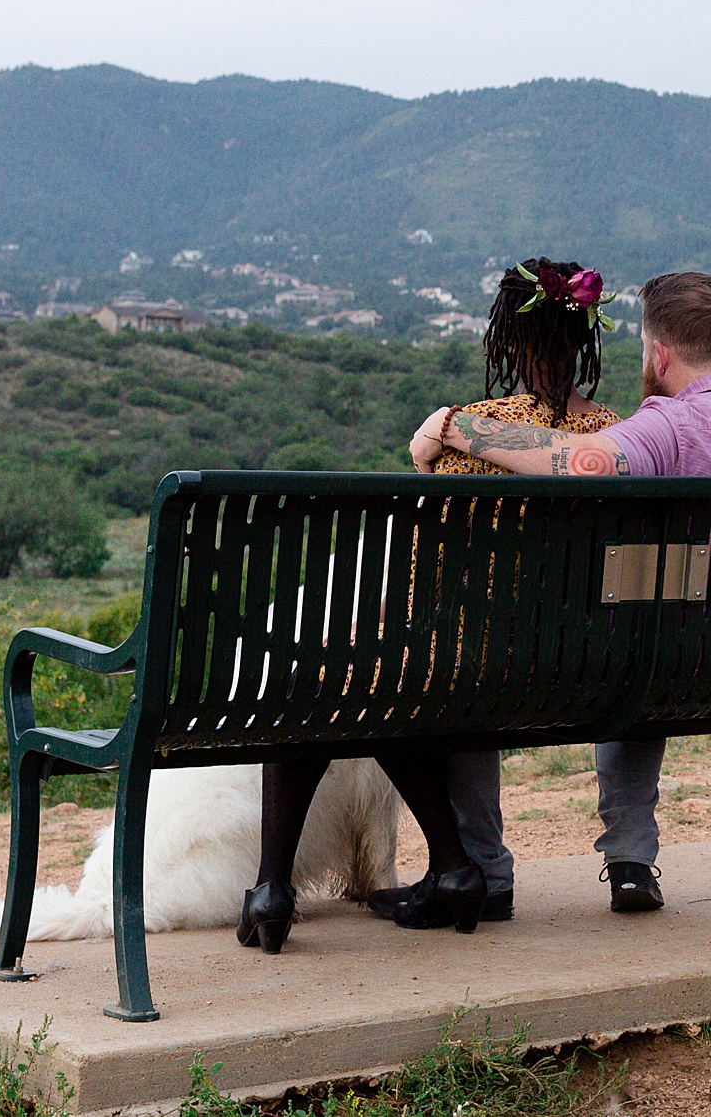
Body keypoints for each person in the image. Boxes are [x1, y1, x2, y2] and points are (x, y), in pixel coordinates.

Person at [240, 257, 622, 952]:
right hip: (579, 670)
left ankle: (278, 887)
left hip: (481, 672)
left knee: (330, 681)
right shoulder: (621, 437)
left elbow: (427, 572)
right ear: (588, 340)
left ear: (506, 343)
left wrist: (436, 439)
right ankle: (451, 868)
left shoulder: (471, 432)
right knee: (377, 676)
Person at [403, 269, 711, 915]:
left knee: (482, 654)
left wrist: (456, 427)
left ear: (658, 353)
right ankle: (631, 859)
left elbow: (583, 460)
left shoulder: (668, 426)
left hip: (635, 666)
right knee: (650, 627)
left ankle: (484, 866)